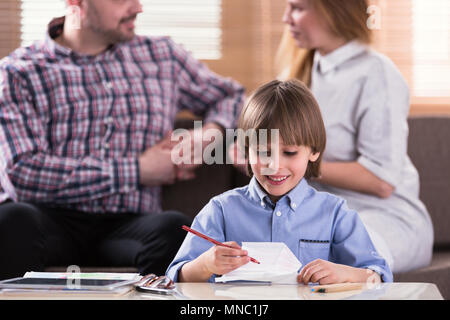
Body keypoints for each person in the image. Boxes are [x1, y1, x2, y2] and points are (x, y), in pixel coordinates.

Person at [0, 0, 244, 280]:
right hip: (48, 220)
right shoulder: (19, 72)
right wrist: (138, 170)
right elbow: (21, 173)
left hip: (130, 225)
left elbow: (232, 96)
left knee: (174, 228)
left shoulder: (162, 57)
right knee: (11, 221)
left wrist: (209, 133)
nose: (137, 7)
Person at [166, 79, 393, 284]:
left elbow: (378, 275)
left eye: (290, 152)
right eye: (263, 152)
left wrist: (349, 274)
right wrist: (205, 265)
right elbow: (176, 278)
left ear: (313, 151)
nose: (274, 165)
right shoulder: (221, 210)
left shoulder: (334, 213)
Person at [275, 0, 433, 273]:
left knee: (328, 258)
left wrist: (289, 163)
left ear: (334, 10)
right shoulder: (299, 74)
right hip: (320, 216)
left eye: (298, 8)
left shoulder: (376, 73)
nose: (285, 18)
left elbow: (381, 181)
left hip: (384, 218)